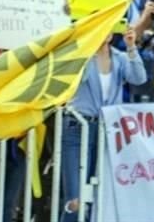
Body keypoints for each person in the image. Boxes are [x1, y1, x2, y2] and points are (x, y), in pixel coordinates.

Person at [61, 27, 145, 222]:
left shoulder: (120, 57)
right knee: (75, 199)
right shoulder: (81, 55)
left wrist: (132, 47)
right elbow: (73, 81)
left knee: (98, 195)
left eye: (110, 26)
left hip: (106, 131)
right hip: (77, 128)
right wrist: (86, 48)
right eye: (102, 25)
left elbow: (139, 78)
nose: (105, 31)